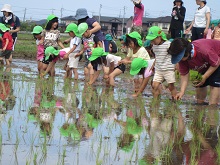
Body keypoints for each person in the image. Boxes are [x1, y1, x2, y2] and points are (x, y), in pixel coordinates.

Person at [168, 38, 220, 105]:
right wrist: (182, 91)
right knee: (200, 86)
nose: (180, 60)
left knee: (214, 86)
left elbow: (216, 63)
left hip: (217, 60)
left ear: (187, 52)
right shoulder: (183, 59)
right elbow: (184, 74)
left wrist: (205, 76)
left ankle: (213, 108)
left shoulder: (203, 50)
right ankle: (200, 108)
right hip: (205, 63)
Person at [146, 26, 177, 99]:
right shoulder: (154, 46)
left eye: (153, 40)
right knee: (154, 85)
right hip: (159, 69)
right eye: (151, 40)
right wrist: (153, 65)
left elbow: (175, 55)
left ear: (159, 37)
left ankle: (175, 100)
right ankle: (156, 100)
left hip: (168, 69)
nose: (152, 42)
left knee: (171, 86)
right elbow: (157, 57)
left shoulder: (168, 44)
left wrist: (176, 65)